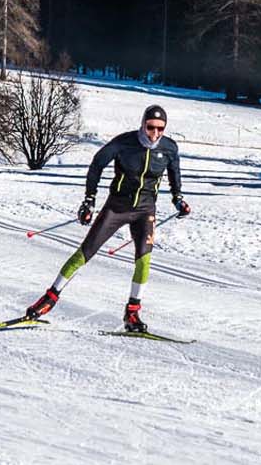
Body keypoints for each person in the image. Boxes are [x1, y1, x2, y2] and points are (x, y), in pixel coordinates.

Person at [19, 103, 190, 332]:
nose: (155, 133)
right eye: (151, 127)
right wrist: (89, 200)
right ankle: (49, 298)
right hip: (117, 208)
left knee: (144, 260)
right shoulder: (124, 143)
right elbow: (97, 164)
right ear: (143, 124)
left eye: (160, 128)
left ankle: (132, 313)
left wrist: (178, 198)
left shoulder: (169, 148)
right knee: (85, 252)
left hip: (145, 210)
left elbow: (174, 173)